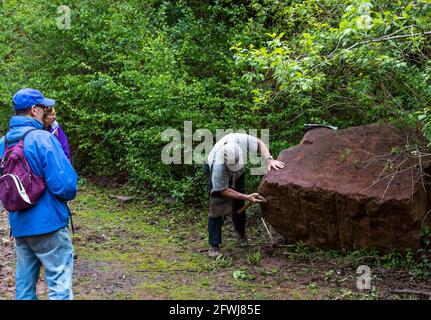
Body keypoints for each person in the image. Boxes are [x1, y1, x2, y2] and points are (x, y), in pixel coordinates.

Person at [0, 88, 78, 300]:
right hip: (49, 223)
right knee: (59, 286)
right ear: (34, 110)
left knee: (24, 289)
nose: (47, 111)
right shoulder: (42, 138)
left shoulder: (5, 142)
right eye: (44, 107)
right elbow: (66, 185)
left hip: (19, 225)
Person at [205, 133, 284, 257]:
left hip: (238, 172)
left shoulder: (242, 142)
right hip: (219, 173)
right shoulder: (218, 167)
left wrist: (269, 159)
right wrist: (247, 197)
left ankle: (241, 234)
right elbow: (223, 190)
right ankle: (214, 245)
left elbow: (259, 143)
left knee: (239, 203)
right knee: (217, 206)